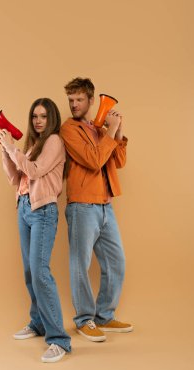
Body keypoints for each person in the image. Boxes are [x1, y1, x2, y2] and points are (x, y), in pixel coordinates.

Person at [0, 98, 71, 362]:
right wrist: (6, 152)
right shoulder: (33, 145)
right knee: (30, 271)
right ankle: (38, 322)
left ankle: (59, 339)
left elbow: (36, 171)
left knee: (40, 273)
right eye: (35, 117)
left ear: (51, 119)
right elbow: (16, 179)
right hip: (24, 208)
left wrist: (12, 148)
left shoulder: (54, 142)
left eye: (43, 116)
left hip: (43, 212)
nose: (38, 121)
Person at [60, 77, 133, 342]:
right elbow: (93, 161)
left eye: (79, 99)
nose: (74, 104)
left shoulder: (99, 128)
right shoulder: (68, 129)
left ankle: (104, 316)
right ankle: (83, 320)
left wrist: (118, 129)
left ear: (91, 101)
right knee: (81, 264)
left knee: (116, 262)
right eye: (71, 100)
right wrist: (110, 132)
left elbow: (119, 161)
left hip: (105, 205)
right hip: (82, 205)